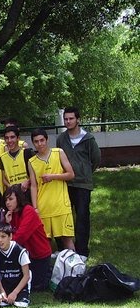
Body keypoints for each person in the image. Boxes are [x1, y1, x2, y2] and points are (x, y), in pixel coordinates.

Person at [56, 106, 101, 259]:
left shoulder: (88, 139)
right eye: (66, 119)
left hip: (83, 185)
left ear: (78, 120)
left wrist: (85, 172)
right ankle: (64, 249)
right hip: (65, 184)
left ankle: (82, 251)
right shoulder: (61, 139)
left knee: (82, 217)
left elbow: (96, 160)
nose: (68, 121)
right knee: (63, 216)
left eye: (71, 118)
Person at [28, 128, 76, 251]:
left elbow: (70, 174)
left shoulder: (58, 152)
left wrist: (53, 176)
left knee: (67, 238)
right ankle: (47, 268)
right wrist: (35, 207)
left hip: (61, 204)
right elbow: (33, 186)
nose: (40, 144)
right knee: (44, 240)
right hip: (43, 206)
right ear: (33, 143)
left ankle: (75, 268)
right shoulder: (32, 161)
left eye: (42, 140)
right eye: (36, 141)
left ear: (47, 140)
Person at [4, 185, 52, 291]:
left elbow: (20, 237)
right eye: (6, 200)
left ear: (19, 198)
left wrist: (2, 244)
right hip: (24, 256)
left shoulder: (28, 211)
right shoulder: (11, 214)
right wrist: (7, 223)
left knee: (37, 287)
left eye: (11, 199)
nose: (8, 202)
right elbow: (6, 236)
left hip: (39, 255)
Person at [0, 222, 31, 308]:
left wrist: (15, 293)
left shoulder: (20, 251)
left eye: (3, 236)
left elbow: (27, 275)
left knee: (21, 305)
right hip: (3, 285)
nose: (0, 240)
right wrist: (2, 291)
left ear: (10, 236)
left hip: (19, 285)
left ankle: (23, 294)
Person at [0, 126, 33, 192]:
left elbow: (36, 173)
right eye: (7, 138)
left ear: (18, 138)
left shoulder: (27, 153)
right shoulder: (2, 158)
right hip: (13, 194)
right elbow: (3, 179)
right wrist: (11, 187)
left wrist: (28, 182)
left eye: (12, 137)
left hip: (28, 192)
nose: (9, 140)